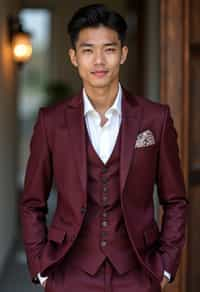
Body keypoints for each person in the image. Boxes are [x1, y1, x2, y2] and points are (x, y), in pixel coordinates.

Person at [20, 4, 188, 292]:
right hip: (68, 272)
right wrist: (41, 267)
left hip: (138, 272)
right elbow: (32, 201)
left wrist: (166, 267)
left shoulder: (155, 118)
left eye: (109, 49)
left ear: (123, 53)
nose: (99, 60)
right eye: (87, 50)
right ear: (74, 57)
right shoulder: (51, 122)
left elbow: (175, 201)